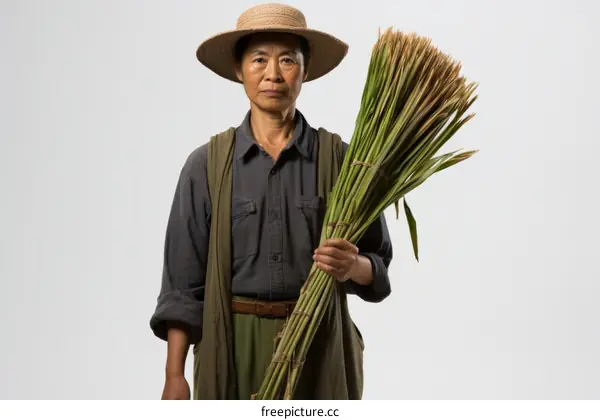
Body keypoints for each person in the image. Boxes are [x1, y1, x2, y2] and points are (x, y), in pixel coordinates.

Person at [149, 3, 393, 400]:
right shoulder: (206, 166)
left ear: (306, 69)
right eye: (259, 59)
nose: (273, 74)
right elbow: (182, 284)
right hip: (231, 343)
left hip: (320, 341)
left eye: (287, 60)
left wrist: (354, 266)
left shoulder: (344, 162)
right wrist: (174, 375)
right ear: (238, 69)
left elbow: (379, 267)